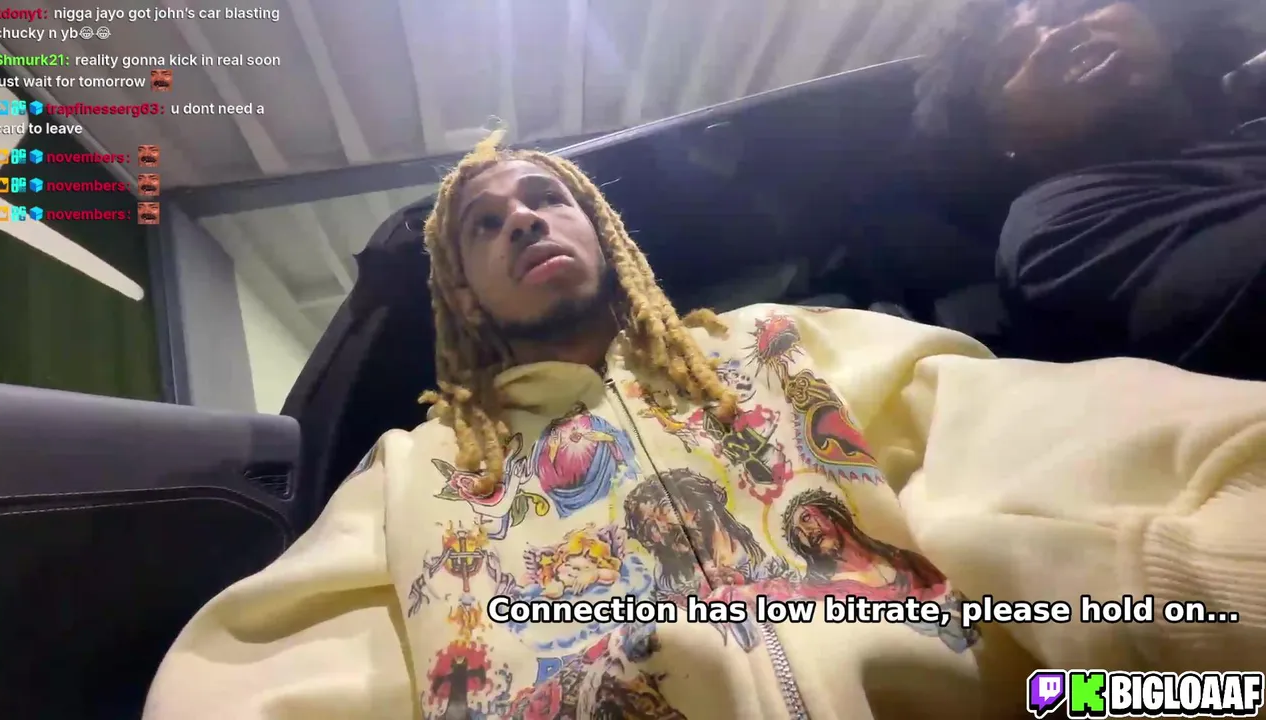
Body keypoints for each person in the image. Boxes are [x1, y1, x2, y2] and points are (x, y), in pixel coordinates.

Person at [144, 132, 1266, 720]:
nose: (521, 219)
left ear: (603, 232)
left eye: (545, 198)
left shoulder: (788, 346)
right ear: (465, 297)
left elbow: (1064, 462)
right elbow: (259, 684)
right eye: (484, 224)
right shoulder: (415, 474)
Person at [913, 0, 1266, 381]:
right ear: (1000, 141)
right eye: (1011, 61)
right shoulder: (1057, 227)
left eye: (1067, 13)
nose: (1058, 36)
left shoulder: (1246, 107)